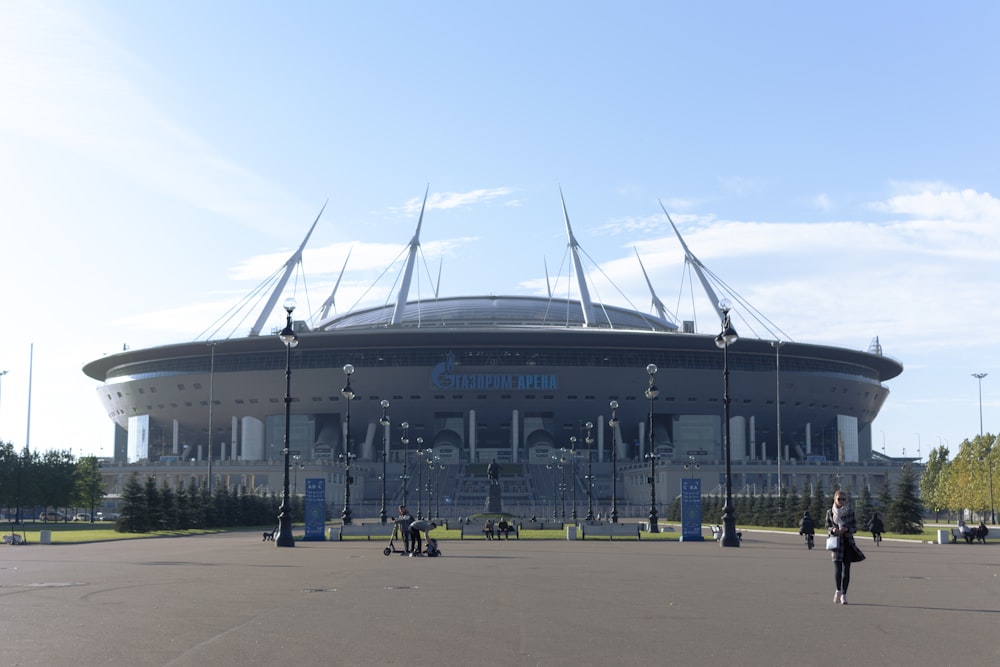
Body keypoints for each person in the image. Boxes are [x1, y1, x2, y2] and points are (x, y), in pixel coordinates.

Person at [826, 491, 864, 605]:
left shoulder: (850, 512)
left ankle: (844, 595)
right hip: (836, 543)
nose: (841, 501)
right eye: (839, 499)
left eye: (843, 499)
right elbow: (826, 526)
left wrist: (847, 529)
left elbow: (855, 527)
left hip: (847, 543)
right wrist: (832, 530)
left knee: (846, 570)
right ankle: (838, 590)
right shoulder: (830, 512)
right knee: (838, 569)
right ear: (834, 499)